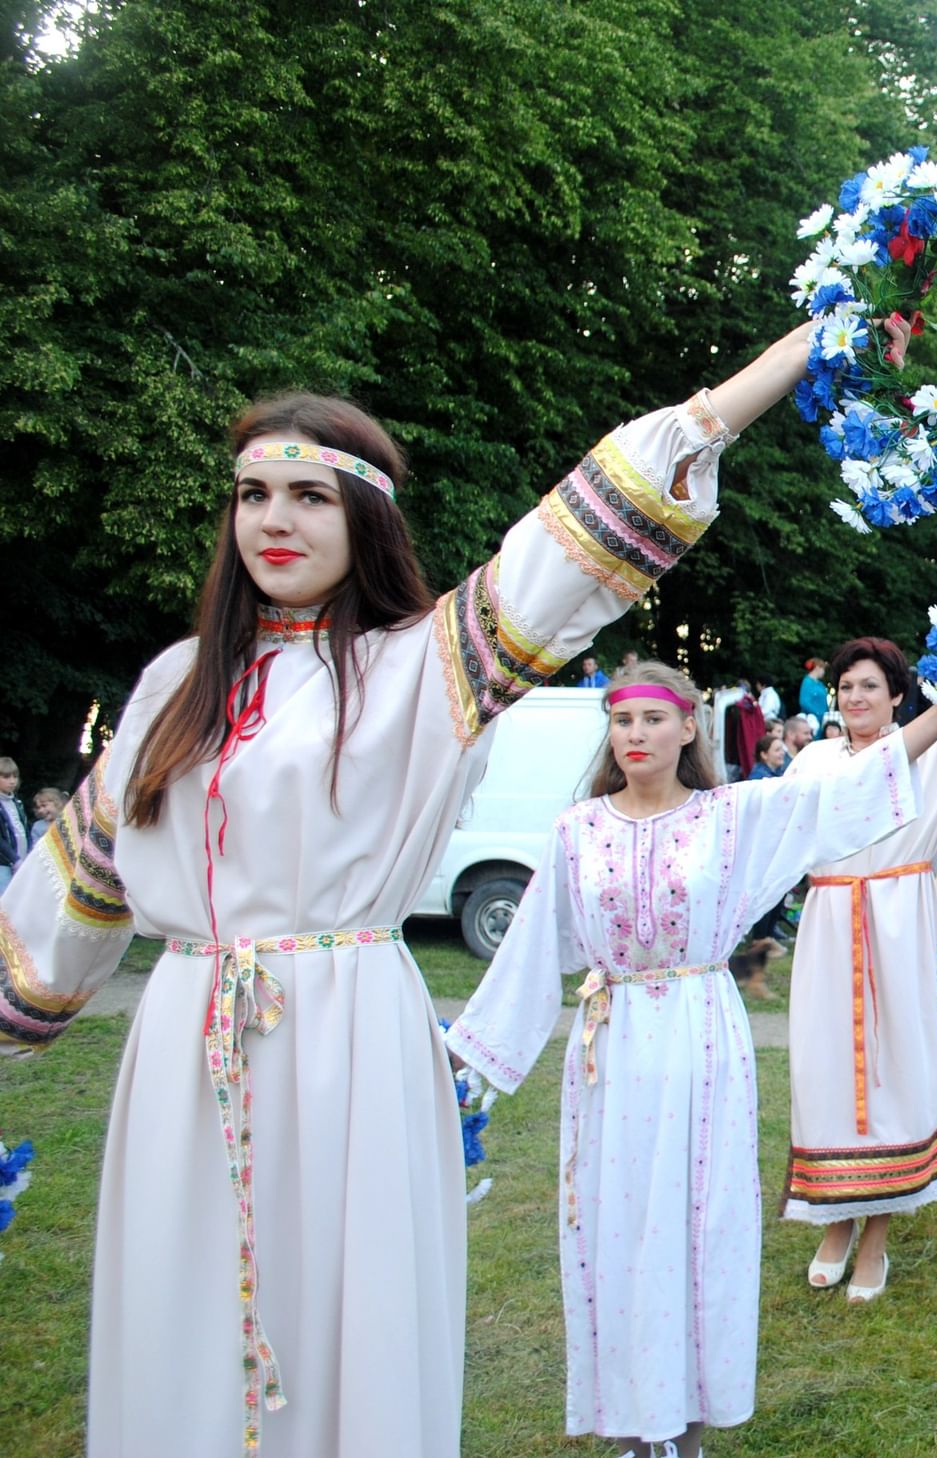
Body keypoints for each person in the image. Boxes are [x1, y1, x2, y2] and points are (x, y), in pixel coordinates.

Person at [0, 320, 820, 1457]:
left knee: (351, 1317)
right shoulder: (173, 686)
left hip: (346, 1035)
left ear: (365, 518)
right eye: (252, 494)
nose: (273, 520)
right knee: (180, 1311)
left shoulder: (422, 668)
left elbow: (568, 550)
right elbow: (78, 888)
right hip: (187, 1045)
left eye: (308, 496)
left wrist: (742, 391)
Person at [447, 664, 937, 1458]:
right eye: (623, 720)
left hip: (699, 1033)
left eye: (652, 719)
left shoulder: (731, 816)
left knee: (699, 1223)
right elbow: (530, 954)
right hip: (610, 1047)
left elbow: (849, 791)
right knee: (616, 1225)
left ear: (688, 729)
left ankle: (689, 1422)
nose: (636, 734)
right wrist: (467, 1071)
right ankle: (630, 1419)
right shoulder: (577, 830)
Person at [780, 637, 937, 1303]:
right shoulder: (815, 759)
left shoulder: (934, 752)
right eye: (847, 686)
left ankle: (876, 1234)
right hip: (830, 922)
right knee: (824, 1069)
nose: (856, 697)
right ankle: (833, 1222)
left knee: (894, 1071)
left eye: (870, 686)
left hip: (895, 923)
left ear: (896, 696)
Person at [0, 757, 26, 892]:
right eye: (6, 777)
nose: (12, 781)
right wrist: (14, 859)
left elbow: (23, 831)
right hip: (3, 864)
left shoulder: (17, 803)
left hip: (20, 860)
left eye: (15, 776)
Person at [799, 657, 831, 725]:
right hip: (812, 720)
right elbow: (804, 702)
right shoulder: (807, 682)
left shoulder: (820, 684)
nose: (824, 672)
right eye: (823, 669)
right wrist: (817, 713)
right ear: (817, 668)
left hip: (823, 719)